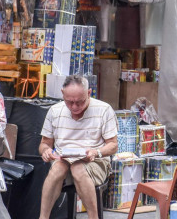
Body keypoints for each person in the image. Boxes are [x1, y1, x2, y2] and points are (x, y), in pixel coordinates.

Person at [39, 75, 118, 219]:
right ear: (62, 93)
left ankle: (93, 217)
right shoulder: (55, 111)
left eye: (79, 102)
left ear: (89, 93)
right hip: (63, 159)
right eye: (69, 102)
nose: (74, 107)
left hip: (96, 161)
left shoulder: (104, 110)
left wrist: (96, 152)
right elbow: (45, 143)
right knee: (57, 168)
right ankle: (43, 217)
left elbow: (113, 145)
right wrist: (46, 151)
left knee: (78, 168)